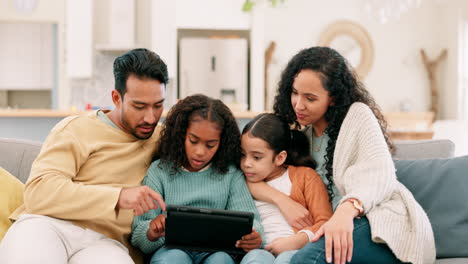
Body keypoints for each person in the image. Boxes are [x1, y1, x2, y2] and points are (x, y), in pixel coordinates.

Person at [247, 47, 436, 264]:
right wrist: (282, 201)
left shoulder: (358, 115)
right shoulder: (300, 135)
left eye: (310, 98)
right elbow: (251, 174)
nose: (299, 104)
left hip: (374, 220)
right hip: (329, 226)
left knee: (303, 260)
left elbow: (380, 175)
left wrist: (346, 212)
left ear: (333, 98)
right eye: (294, 93)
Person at [0, 48, 169, 264]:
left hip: (108, 243)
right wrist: (118, 197)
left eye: (158, 105)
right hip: (49, 225)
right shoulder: (75, 129)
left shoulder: (163, 137)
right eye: (139, 106)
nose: (150, 117)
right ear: (117, 98)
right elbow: (38, 191)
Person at [130, 94, 265, 264]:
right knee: (173, 260)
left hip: (217, 252)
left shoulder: (230, 174)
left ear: (222, 143)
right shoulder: (159, 171)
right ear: (181, 135)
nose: (200, 152)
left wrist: (254, 237)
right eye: (193, 141)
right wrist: (152, 231)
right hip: (170, 251)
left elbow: (253, 222)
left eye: (210, 145)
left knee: (221, 260)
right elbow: (139, 235)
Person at [239, 113, 333, 264]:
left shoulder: (305, 177)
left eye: (256, 157)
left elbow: (325, 221)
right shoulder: (240, 179)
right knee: (256, 259)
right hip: (258, 250)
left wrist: (298, 240)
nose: (246, 163)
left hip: (294, 248)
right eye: (242, 155)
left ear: (280, 158)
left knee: (287, 260)